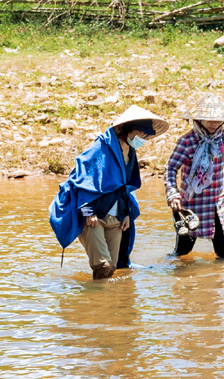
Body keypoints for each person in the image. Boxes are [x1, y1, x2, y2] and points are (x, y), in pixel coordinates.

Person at [50, 105, 169, 279]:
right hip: (94, 217)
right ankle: (97, 303)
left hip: (116, 217)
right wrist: (88, 212)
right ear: (127, 130)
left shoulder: (130, 152)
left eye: (145, 136)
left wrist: (127, 214)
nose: (142, 138)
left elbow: (126, 187)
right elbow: (83, 178)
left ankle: (103, 303)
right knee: (103, 266)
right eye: (140, 133)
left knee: (111, 269)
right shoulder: (101, 147)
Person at [164, 94, 224, 259]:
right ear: (198, 119)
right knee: (182, 254)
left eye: (218, 120)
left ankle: (222, 282)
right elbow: (170, 168)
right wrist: (173, 194)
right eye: (208, 119)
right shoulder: (187, 141)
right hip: (192, 205)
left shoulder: (220, 137)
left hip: (218, 205)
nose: (213, 124)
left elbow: (221, 163)